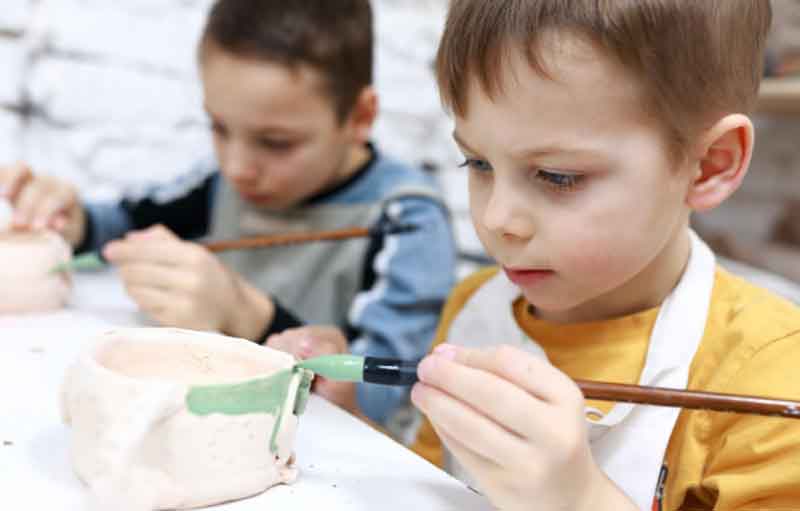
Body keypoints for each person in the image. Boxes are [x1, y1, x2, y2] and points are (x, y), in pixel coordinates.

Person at [407, 1, 800, 510]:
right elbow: (420, 484)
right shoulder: (473, 310)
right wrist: (349, 423)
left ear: (708, 166)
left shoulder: (771, 379)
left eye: (558, 176)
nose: (497, 218)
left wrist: (580, 499)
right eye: (478, 162)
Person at [0, 0, 456, 425]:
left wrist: (250, 317)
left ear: (360, 116)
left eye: (276, 142)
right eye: (219, 127)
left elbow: (380, 404)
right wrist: (71, 219)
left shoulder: (406, 221)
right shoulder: (218, 184)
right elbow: (121, 223)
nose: (237, 167)